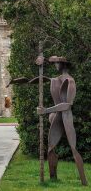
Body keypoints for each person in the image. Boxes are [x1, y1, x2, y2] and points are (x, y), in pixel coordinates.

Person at [37, 56, 87, 186]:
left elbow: (67, 105)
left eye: (56, 63)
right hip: (57, 117)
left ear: (63, 64)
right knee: (50, 148)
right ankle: (53, 178)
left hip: (66, 117)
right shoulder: (57, 79)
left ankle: (84, 181)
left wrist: (46, 110)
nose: (55, 65)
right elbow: (40, 79)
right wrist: (40, 64)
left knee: (73, 148)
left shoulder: (70, 81)